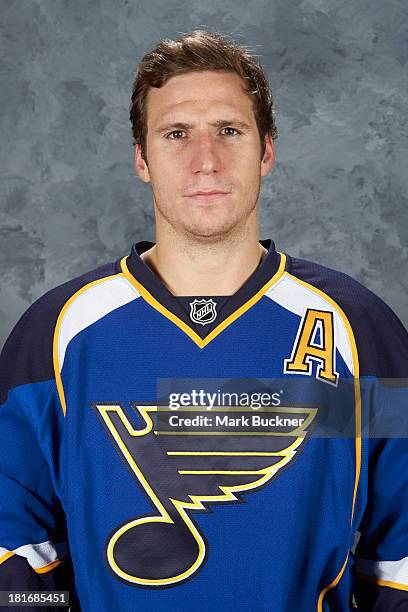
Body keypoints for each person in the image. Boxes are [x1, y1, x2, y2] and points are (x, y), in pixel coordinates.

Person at [0, 29, 407, 612]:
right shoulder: (61, 333)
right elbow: (15, 545)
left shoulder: (358, 330)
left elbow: (400, 553)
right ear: (143, 158)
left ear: (267, 149)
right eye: (175, 134)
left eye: (229, 130)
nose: (206, 161)